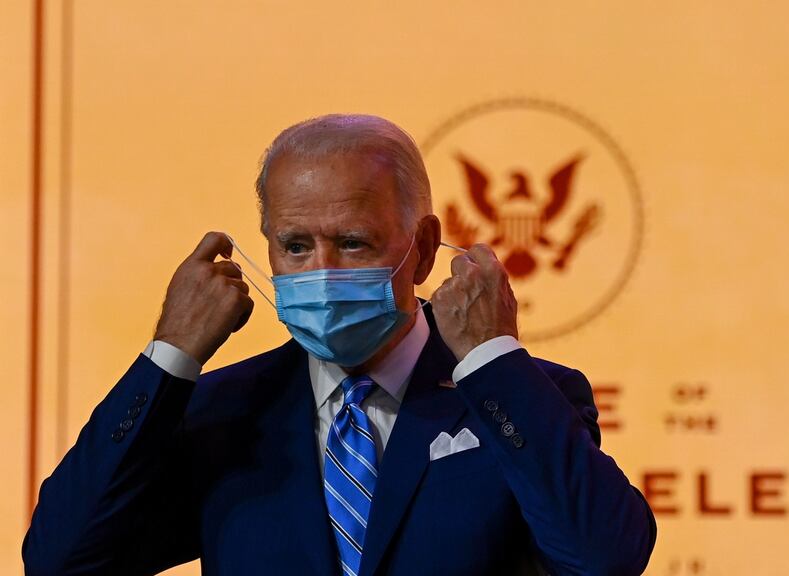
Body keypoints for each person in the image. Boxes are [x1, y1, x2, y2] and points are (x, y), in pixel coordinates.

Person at [24, 114, 656, 575]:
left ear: (425, 248)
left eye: (353, 242)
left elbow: (603, 560)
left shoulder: (517, 398)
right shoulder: (222, 412)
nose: (322, 273)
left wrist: (491, 360)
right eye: (295, 246)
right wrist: (169, 357)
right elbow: (61, 560)